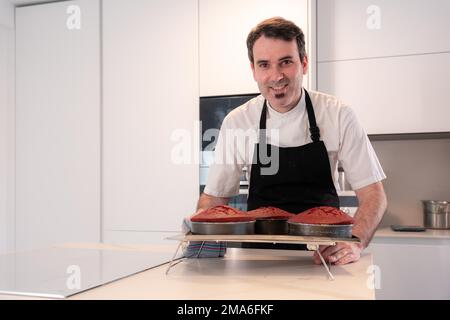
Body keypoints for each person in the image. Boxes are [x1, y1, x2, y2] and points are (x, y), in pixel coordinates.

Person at [190, 17, 387, 265]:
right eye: (264, 65)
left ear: (304, 63)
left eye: (286, 62)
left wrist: (355, 241)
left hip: (324, 256)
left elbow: (373, 195)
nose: (276, 76)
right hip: (258, 257)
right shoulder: (238, 121)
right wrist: (198, 225)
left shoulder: (338, 114)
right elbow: (215, 199)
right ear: (253, 70)